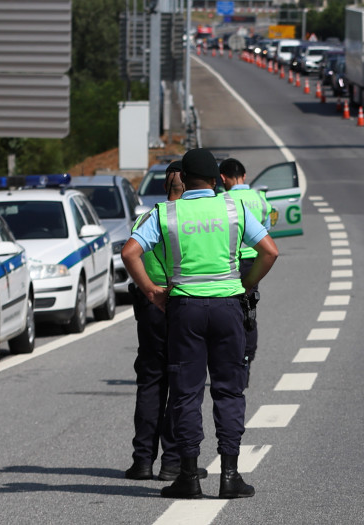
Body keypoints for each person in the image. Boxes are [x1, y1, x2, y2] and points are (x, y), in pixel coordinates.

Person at [122, 148, 279, 499]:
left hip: (184, 308)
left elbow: (129, 252)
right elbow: (270, 251)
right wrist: (247, 283)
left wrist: (150, 291)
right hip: (227, 306)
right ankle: (230, 475)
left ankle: (188, 476)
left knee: (186, 392)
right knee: (228, 390)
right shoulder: (233, 208)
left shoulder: (166, 213)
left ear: (183, 179)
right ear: (214, 179)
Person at [126, 162, 209, 482]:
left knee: (150, 382)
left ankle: (143, 460)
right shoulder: (191, 219)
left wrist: (149, 291)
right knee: (183, 385)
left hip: (151, 307)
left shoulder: (147, 218)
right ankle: (173, 462)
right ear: (188, 186)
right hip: (184, 304)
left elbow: (131, 253)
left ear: (164, 188)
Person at [218, 158, 273, 388]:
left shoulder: (221, 201)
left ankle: (227, 364)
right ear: (245, 175)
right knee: (249, 312)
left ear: (222, 179)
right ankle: (247, 360)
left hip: (229, 264)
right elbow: (266, 233)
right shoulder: (260, 200)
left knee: (226, 315)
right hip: (253, 264)